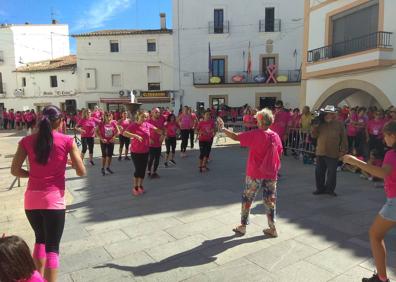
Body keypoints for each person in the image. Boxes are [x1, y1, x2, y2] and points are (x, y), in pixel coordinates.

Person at [10, 105, 86, 282]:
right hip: (53, 200)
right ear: (60, 121)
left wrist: (33, 175)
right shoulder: (67, 140)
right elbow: (82, 172)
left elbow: (14, 170)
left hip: (31, 200)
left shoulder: (26, 141)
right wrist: (73, 163)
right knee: (52, 248)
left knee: (40, 240)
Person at [343, 121, 396, 282]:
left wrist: (355, 162)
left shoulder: (392, 154)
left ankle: (381, 279)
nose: (384, 139)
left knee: (375, 234)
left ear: (393, 136)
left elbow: (382, 172)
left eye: (385, 136)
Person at [218, 108, 283, 237]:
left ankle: (243, 226)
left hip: (255, 173)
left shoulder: (256, 134)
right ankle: (273, 228)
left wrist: (223, 128)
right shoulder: (275, 136)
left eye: (257, 119)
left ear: (261, 121)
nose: (255, 121)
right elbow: (279, 152)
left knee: (248, 198)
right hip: (270, 173)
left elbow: (236, 137)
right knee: (270, 200)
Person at [123, 110, 163, 196]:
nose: (145, 118)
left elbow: (157, 130)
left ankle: (140, 186)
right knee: (138, 170)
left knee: (143, 170)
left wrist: (163, 133)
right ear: (138, 116)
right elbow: (124, 133)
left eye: (146, 117)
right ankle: (135, 187)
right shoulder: (134, 125)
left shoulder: (147, 124)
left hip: (145, 151)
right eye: (143, 116)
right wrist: (135, 136)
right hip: (136, 151)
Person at [311, 105, 348, 196]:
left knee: (332, 173)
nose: (328, 115)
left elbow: (344, 138)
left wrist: (343, 150)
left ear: (334, 114)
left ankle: (330, 190)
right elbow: (313, 136)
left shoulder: (339, 124)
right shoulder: (320, 123)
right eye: (327, 114)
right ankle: (320, 188)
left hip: (333, 152)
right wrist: (315, 127)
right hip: (321, 151)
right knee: (319, 172)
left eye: (331, 114)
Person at [147, 108, 165, 178]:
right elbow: (144, 132)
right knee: (151, 158)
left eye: (159, 112)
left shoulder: (160, 121)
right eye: (156, 112)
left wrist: (163, 136)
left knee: (157, 159)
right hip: (151, 144)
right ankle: (149, 171)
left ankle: (154, 172)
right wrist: (149, 138)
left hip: (158, 143)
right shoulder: (148, 122)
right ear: (152, 113)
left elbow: (163, 130)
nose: (158, 114)